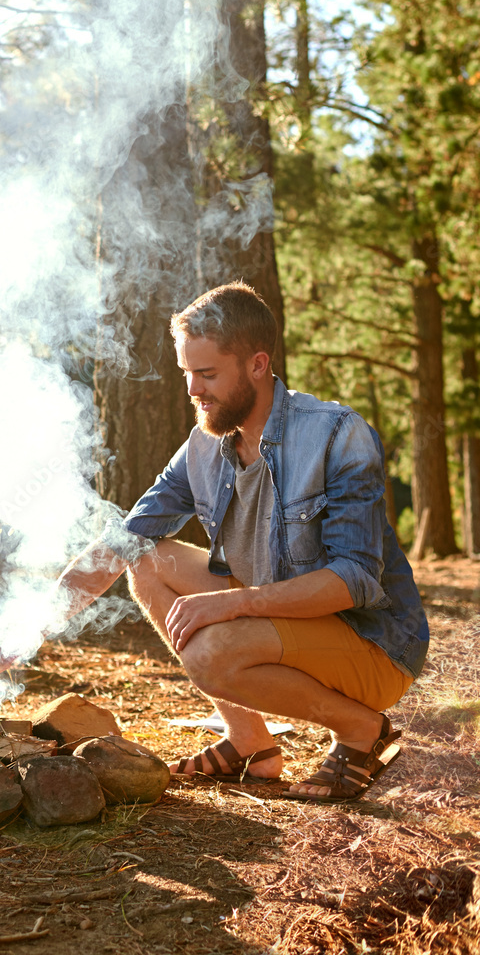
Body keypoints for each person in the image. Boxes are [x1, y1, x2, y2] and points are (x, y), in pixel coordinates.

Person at [50, 281, 429, 803]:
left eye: (206, 374)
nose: (192, 390)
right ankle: (250, 741)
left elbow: (355, 580)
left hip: (369, 643)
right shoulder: (203, 445)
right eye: (187, 373)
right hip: (282, 617)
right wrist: (33, 621)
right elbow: (126, 537)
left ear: (257, 364)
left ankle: (362, 732)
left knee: (211, 654)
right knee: (146, 559)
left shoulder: (338, 435)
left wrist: (232, 604)